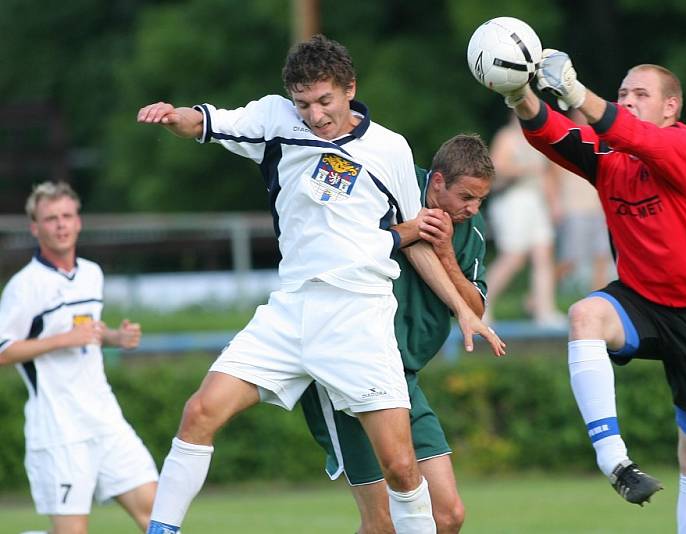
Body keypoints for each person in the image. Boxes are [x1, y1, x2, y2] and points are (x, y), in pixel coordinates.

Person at [137, 34, 503, 534]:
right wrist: (173, 116)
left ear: (350, 89)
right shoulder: (275, 120)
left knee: (401, 468)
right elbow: (206, 122)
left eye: (324, 101)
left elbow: (414, 237)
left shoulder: (388, 148)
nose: (314, 115)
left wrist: (463, 309)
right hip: (290, 310)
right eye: (303, 103)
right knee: (200, 411)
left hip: (359, 318)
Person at [481, 48, 686, 533]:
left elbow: (633, 134)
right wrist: (520, 94)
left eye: (642, 94)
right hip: (640, 301)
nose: (629, 101)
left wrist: (579, 94)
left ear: (671, 108)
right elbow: (553, 133)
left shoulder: (683, 148)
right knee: (584, 315)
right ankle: (614, 461)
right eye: (623, 93)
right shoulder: (608, 160)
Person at [301, 133, 493, 533]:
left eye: (480, 200)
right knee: (382, 524)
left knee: (448, 515)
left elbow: (475, 310)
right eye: (466, 197)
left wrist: (445, 255)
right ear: (436, 182)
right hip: (349, 369)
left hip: (402, 379)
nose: (473, 209)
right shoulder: (386, 187)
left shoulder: (469, 230)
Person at [0, 181, 158, 534]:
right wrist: (62, 340)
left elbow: (87, 331)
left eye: (67, 216)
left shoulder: (91, 273)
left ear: (78, 222)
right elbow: (4, 350)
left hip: (105, 420)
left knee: (159, 519)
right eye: (51, 218)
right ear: (35, 228)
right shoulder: (25, 286)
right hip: (59, 429)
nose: (61, 224)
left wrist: (116, 337)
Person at [484, 112, 564, 327]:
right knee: (513, 257)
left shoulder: (538, 137)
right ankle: (481, 305)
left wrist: (554, 203)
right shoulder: (507, 136)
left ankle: (544, 310)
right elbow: (497, 169)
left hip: (535, 200)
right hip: (512, 199)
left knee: (543, 253)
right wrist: (525, 169)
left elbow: (547, 174)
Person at [554, 109, 614, 294]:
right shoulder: (564, 143)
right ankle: (538, 296)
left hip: (599, 209)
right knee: (569, 260)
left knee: (601, 257)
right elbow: (552, 177)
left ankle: (597, 299)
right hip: (574, 209)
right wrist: (555, 204)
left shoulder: (602, 143)